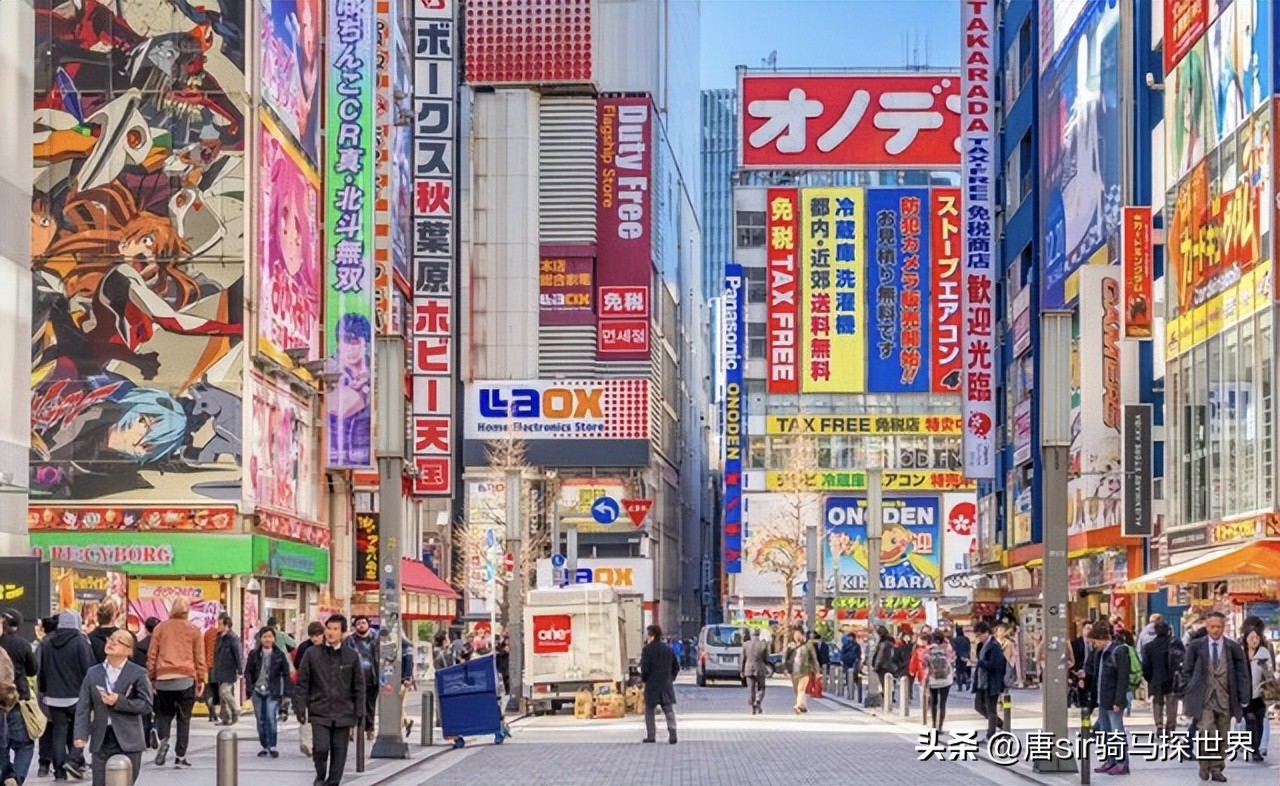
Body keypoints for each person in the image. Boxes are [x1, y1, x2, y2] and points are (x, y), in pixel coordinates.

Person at [73, 629, 151, 786]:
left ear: (129, 650)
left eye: (119, 640)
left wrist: (119, 702)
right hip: (102, 738)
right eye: (111, 638)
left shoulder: (138, 673)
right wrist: (80, 734)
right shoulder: (93, 673)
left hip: (129, 739)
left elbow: (146, 705)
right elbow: (83, 706)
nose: (112, 642)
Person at [1181, 611, 1250, 783]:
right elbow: (1187, 670)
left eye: (1219, 627)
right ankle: (1204, 765)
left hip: (1225, 697)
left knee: (1222, 736)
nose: (1215, 630)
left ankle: (1217, 768)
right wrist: (1188, 688)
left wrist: (1244, 695)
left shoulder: (1233, 647)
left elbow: (1242, 673)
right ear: (1206, 626)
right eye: (1212, 627)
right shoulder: (1196, 646)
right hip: (1203, 698)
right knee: (1205, 732)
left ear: (1224, 627)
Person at [298, 615, 365, 786]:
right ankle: (320, 775)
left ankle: (333, 782)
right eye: (329, 628)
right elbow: (302, 682)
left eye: (335, 629)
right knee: (321, 749)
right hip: (319, 710)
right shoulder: (312, 654)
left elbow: (358, 685)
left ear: (343, 633)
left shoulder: (351, 656)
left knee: (339, 751)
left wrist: (359, 712)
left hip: (344, 712)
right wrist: (300, 707)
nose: (331, 632)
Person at [146, 597, 205, 769]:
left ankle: (161, 736)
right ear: (187, 612)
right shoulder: (194, 630)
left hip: (163, 678)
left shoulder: (160, 628)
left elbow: (152, 655)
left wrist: (152, 677)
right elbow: (199, 658)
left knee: (164, 714)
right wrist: (200, 679)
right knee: (184, 719)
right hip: (186, 678)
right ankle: (180, 756)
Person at [39, 610, 94, 781]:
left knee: (58, 732)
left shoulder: (47, 643)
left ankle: (59, 772)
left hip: (53, 696)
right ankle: (73, 759)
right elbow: (89, 668)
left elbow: (43, 670)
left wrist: (44, 690)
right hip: (77, 695)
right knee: (81, 729)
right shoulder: (80, 642)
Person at [0, 610, 37, 785]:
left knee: (3, 745)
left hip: (5, 701)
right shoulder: (21, 644)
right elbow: (32, 669)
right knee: (24, 744)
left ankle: (6, 775)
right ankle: (15, 777)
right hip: (15, 699)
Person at [1090, 622, 1131, 776]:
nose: (1094, 646)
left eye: (1094, 642)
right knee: (1106, 732)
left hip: (1114, 700)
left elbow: (1122, 678)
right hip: (1103, 699)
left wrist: (1119, 701)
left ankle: (1122, 763)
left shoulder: (1118, 651)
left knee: (1117, 732)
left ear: (1101, 639)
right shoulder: (1101, 653)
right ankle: (1111, 760)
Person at [244, 627, 290, 759]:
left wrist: (285, 692)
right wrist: (250, 687)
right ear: (260, 638)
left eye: (270, 636)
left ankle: (272, 745)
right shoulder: (254, 654)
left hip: (272, 690)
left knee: (270, 717)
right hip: (257, 690)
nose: (267, 639)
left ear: (274, 638)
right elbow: (248, 672)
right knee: (260, 719)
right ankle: (264, 746)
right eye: (264, 636)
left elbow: (285, 673)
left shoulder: (279, 655)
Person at [1141, 620, 1183, 737]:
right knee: (1172, 703)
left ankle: (1159, 725)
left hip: (1156, 678)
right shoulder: (1176, 644)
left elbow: (1146, 666)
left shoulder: (1149, 647)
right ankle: (1170, 727)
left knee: (1157, 702)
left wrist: (1148, 678)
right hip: (1172, 678)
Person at [639, 624, 678, 744]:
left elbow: (644, 669)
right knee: (668, 709)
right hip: (666, 685)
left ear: (651, 635)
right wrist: (670, 678)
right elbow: (676, 667)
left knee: (650, 710)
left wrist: (644, 679)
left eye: (648, 634)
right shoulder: (668, 649)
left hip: (652, 685)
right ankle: (672, 733)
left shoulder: (647, 650)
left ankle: (651, 735)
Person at [129, 617, 160, 752]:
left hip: (142, 680)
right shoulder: (162, 646)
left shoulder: (139, 646)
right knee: (160, 710)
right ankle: (156, 728)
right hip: (159, 680)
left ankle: (145, 739)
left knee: (144, 710)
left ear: (146, 629)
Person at [345, 616, 379, 741]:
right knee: (353, 704)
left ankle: (369, 729)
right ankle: (352, 728)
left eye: (363, 623)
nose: (361, 625)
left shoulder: (376, 639)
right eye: (358, 623)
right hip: (354, 679)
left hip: (372, 677)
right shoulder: (350, 640)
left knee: (370, 705)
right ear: (355, 626)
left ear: (368, 624)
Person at [1242, 626, 1273, 761]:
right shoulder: (1240, 652)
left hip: (1260, 694)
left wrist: (1265, 667)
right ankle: (1252, 747)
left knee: (1259, 722)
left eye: (1257, 638)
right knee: (1250, 720)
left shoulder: (1263, 652)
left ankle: (1256, 749)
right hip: (1244, 694)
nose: (1254, 640)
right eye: (1251, 638)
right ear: (1246, 638)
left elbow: (1270, 676)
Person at [972, 621, 1006, 741]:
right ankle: (1001, 724)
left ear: (987, 632)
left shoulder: (994, 646)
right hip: (982, 682)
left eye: (980, 635)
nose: (978, 638)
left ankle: (990, 735)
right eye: (976, 635)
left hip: (992, 682)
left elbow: (994, 665)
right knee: (978, 706)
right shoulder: (981, 646)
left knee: (991, 709)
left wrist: (978, 662)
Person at [34, 616, 59, 778]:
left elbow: (36, 667)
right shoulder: (72, 642)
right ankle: (61, 762)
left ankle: (44, 763)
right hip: (66, 692)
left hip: (46, 691)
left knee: (47, 728)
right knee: (62, 728)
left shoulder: (43, 645)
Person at [210, 614, 244, 725]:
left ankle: (235, 709)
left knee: (225, 691)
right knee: (221, 695)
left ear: (227, 625)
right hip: (220, 669)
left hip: (229, 669)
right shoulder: (219, 637)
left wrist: (240, 670)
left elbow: (238, 654)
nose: (218, 626)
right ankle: (226, 718)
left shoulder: (233, 638)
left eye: (220, 624)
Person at [292, 622, 325, 723]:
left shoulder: (329, 647)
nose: (315, 639)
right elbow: (297, 663)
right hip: (308, 687)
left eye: (317, 636)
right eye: (312, 636)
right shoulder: (304, 647)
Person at [924, 631, 954, 732]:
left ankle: (933, 725)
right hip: (946, 679)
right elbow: (952, 660)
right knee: (943, 703)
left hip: (933, 679)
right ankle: (940, 727)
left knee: (934, 702)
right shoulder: (947, 648)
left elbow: (924, 663)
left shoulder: (929, 649)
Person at [784, 626, 818, 715]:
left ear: (802, 635)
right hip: (793, 670)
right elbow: (785, 658)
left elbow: (814, 659)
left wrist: (817, 670)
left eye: (798, 634)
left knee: (801, 689)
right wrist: (785, 669)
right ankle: (803, 705)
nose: (797, 636)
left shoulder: (808, 645)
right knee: (796, 690)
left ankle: (797, 705)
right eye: (795, 634)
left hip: (805, 670)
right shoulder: (790, 646)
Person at [741, 628, 770, 715]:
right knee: (761, 687)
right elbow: (766, 658)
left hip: (748, 668)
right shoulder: (763, 644)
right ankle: (758, 700)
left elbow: (742, 659)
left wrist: (741, 670)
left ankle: (753, 705)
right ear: (759, 634)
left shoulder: (746, 645)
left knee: (751, 688)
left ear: (751, 634)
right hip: (760, 668)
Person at [201, 621, 219, 724]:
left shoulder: (207, 634)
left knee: (208, 690)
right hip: (218, 666)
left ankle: (211, 710)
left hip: (207, 666)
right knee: (217, 690)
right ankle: (215, 711)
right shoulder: (220, 635)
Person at [839, 631, 862, 699]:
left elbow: (859, 653)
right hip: (846, 661)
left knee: (855, 673)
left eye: (851, 637)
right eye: (849, 637)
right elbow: (842, 652)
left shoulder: (857, 645)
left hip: (854, 661)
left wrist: (858, 660)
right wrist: (842, 659)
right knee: (847, 674)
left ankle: (855, 684)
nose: (850, 638)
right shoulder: (845, 645)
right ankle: (849, 685)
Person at [952, 625, 972, 692]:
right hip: (965, 656)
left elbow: (954, 649)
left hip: (958, 657)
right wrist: (968, 656)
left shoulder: (955, 640)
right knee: (964, 670)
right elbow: (969, 648)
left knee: (958, 672)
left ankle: (960, 686)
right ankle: (967, 680)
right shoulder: (966, 639)